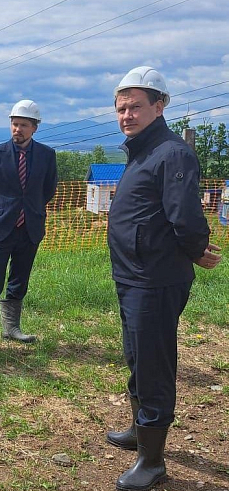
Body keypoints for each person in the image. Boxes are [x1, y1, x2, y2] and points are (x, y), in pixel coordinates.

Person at [106, 66, 222, 491]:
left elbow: (186, 216)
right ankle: (140, 430)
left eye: (136, 106)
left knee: (154, 364)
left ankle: (152, 461)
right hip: (134, 275)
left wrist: (195, 250)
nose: (127, 114)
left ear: (159, 106)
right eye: (121, 108)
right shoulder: (143, 151)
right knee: (137, 356)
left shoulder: (172, 153)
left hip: (155, 278)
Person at [0, 100, 57, 355]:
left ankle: (11, 329)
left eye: (23, 125)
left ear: (34, 128)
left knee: (20, 278)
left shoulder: (46, 155)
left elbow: (48, 189)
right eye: (14, 124)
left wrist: (30, 210)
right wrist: (3, 210)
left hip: (30, 227)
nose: (17, 129)